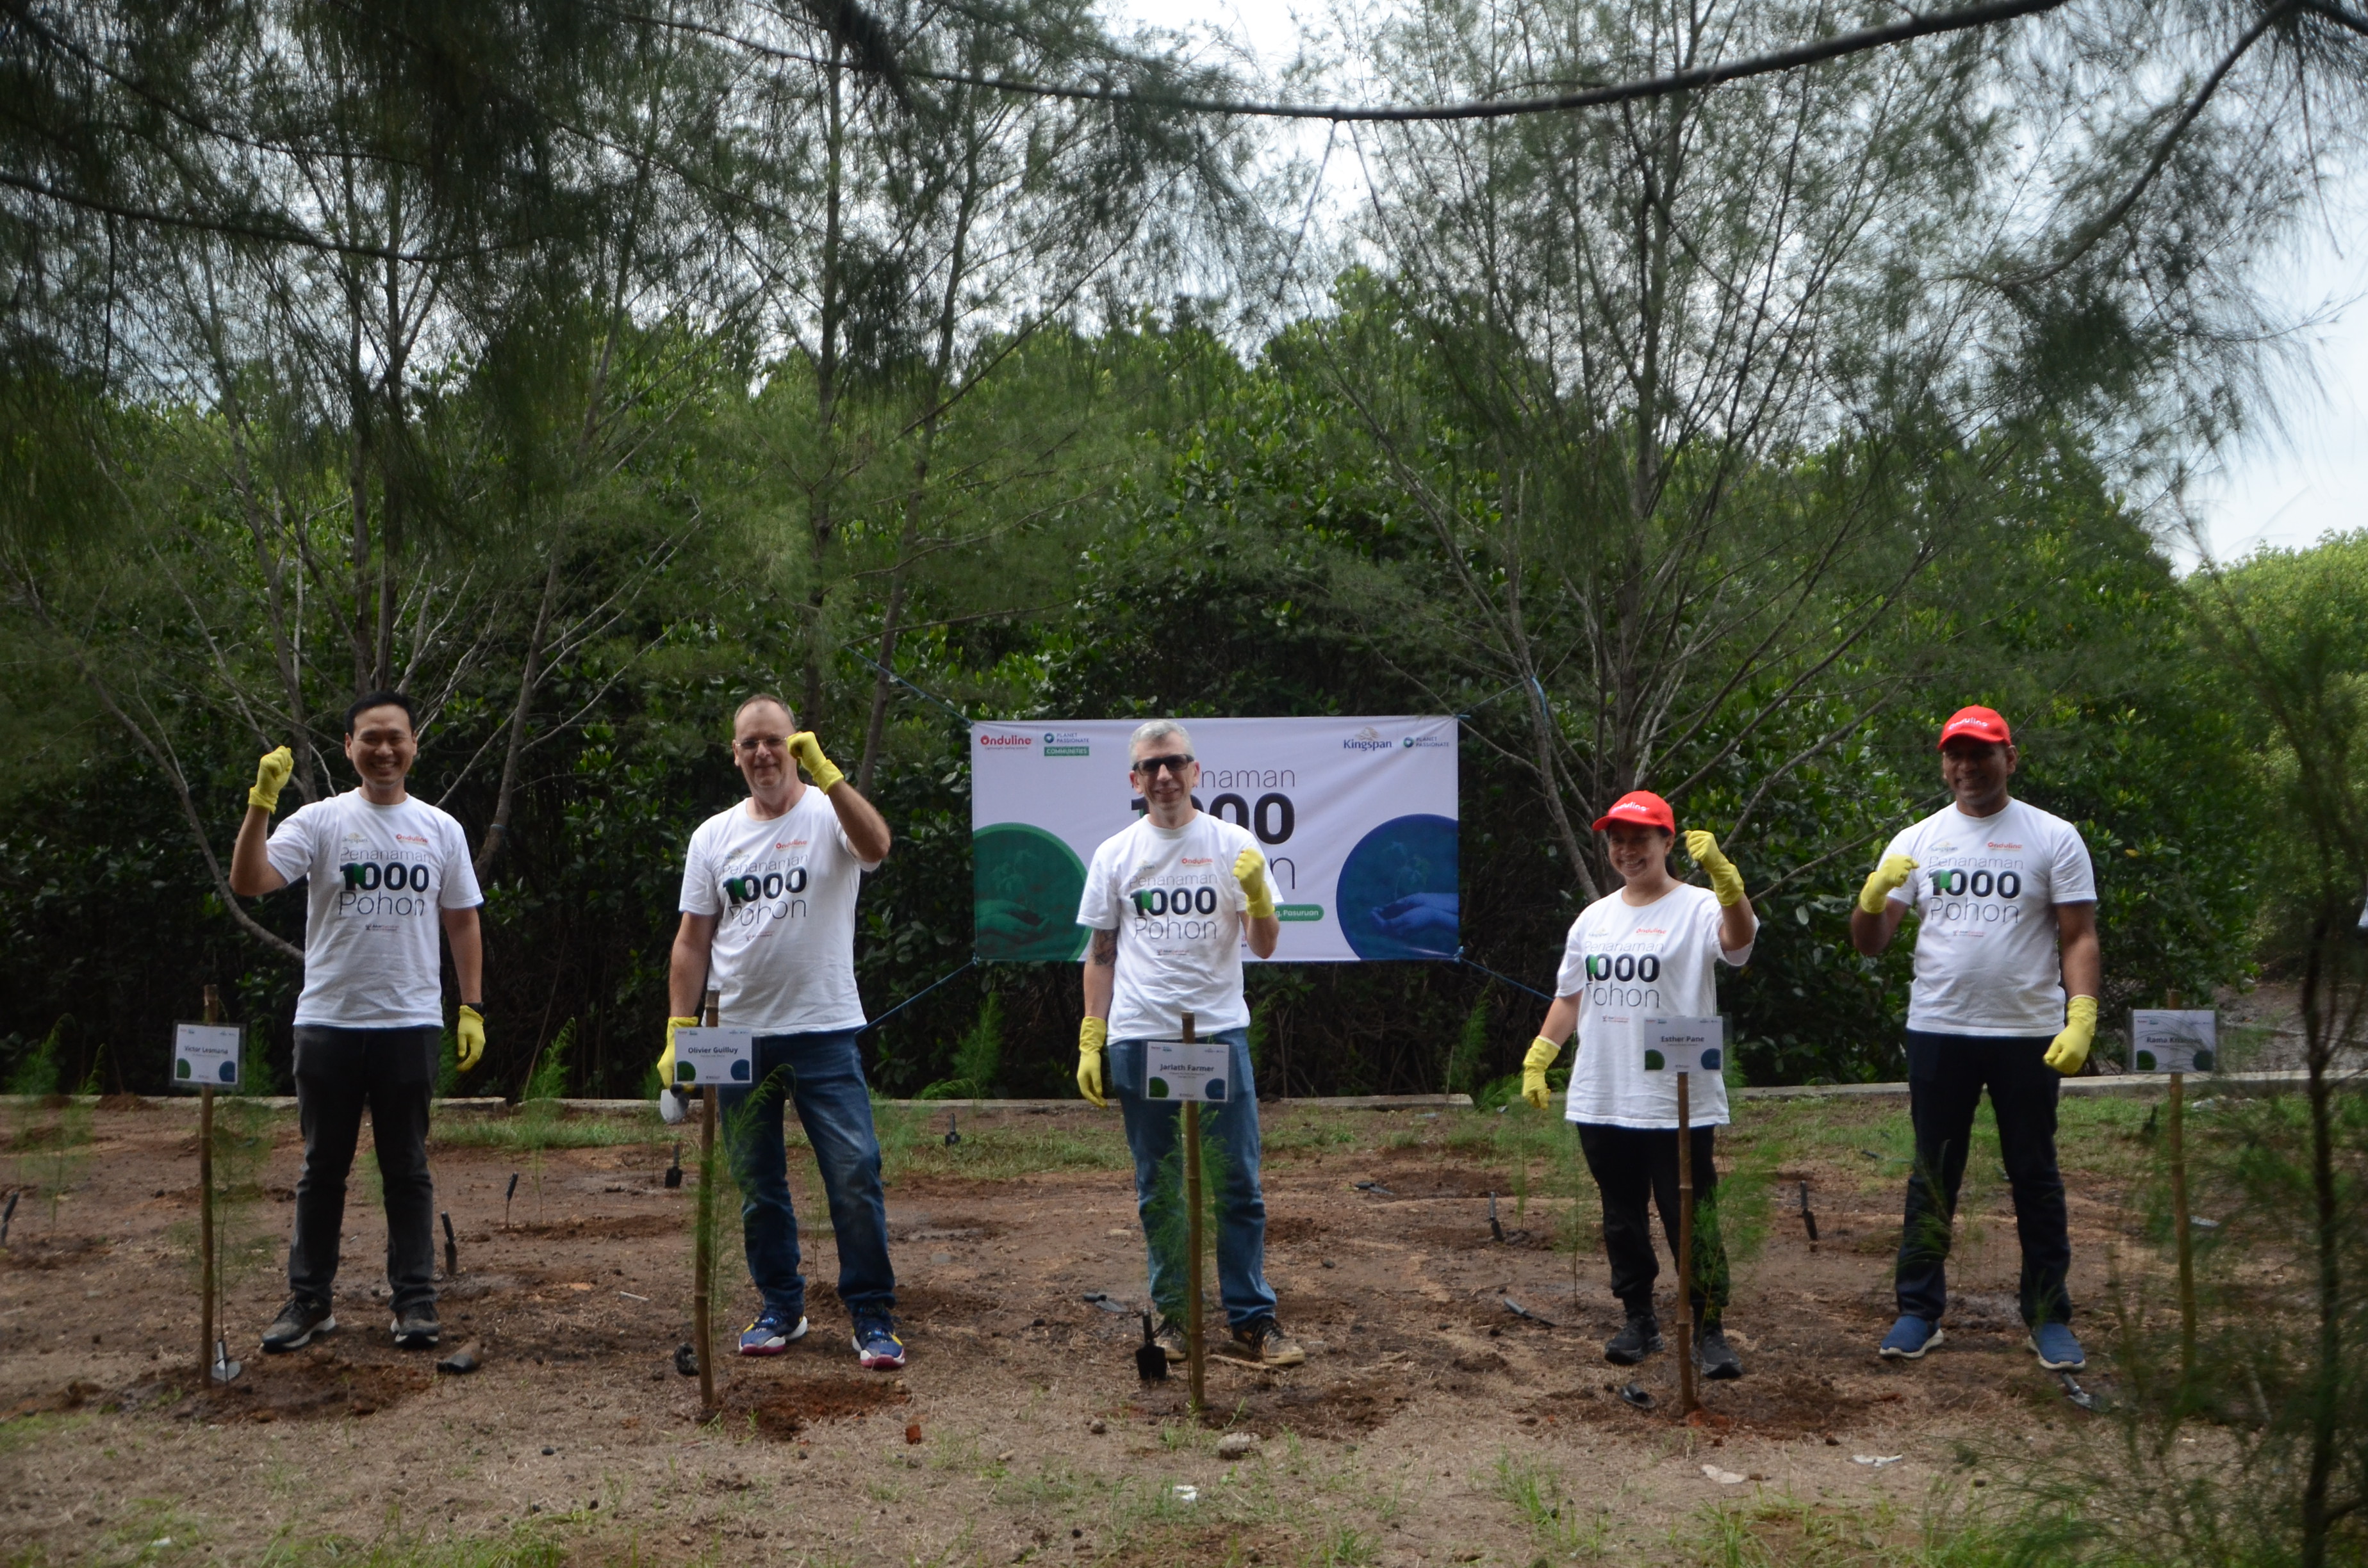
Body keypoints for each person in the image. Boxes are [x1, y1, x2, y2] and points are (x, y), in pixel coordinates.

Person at [229, 691, 486, 1353]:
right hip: (329, 1023)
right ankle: (311, 1300)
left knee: (406, 1167)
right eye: (369, 738)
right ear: (349, 747)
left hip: (408, 1024)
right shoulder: (319, 822)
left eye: (395, 737)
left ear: (413, 745)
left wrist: (472, 1006)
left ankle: (415, 1301)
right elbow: (251, 880)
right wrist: (262, 803)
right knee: (323, 1169)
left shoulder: (440, 829)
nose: (384, 749)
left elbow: (462, 918)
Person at [1851, 705, 2100, 1372]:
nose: (1968, 767)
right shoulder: (1919, 840)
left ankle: (2048, 1317)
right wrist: (1874, 895)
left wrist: (2082, 1014)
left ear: (2009, 760)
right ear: (1943, 764)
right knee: (1933, 1175)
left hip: (2027, 1032)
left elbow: (2078, 934)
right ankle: (1918, 1311)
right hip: (1939, 1028)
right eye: (1955, 755)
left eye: (1982, 754)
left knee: (2035, 1174)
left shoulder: (2053, 837)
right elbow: (1870, 945)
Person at [661, 697, 903, 1369]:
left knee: (853, 1172)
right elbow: (692, 940)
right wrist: (679, 1029)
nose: (763, 754)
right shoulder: (713, 836)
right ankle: (781, 1307)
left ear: (794, 745)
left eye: (775, 741)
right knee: (757, 1181)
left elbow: (878, 847)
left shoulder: (830, 813)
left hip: (823, 1029)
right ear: (734, 754)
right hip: (736, 1036)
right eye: (750, 745)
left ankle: (872, 1314)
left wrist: (831, 777)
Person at [1074, 719, 1305, 1368]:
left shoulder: (1233, 845)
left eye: (1176, 762)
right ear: (1135, 780)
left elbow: (1264, 945)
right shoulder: (1116, 855)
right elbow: (1100, 954)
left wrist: (1259, 894)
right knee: (1161, 1185)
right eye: (1152, 766)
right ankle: (1175, 1319)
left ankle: (1252, 1321)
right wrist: (1093, 1035)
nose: (1165, 775)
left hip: (1217, 1035)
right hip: (1143, 1037)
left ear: (1197, 772)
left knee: (1236, 1182)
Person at [1519, 791, 1758, 1380]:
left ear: (1667, 843)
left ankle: (1708, 1328)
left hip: (1676, 1093)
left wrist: (1730, 886)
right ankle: (1639, 1318)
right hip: (1604, 1090)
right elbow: (1572, 996)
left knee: (1690, 1212)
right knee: (1620, 1213)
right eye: (1617, 839)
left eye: (1641, 839)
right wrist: (1540, 1055)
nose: (1628, 850)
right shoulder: (1594, 918)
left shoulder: (1700, 906)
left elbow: (1738, 945)